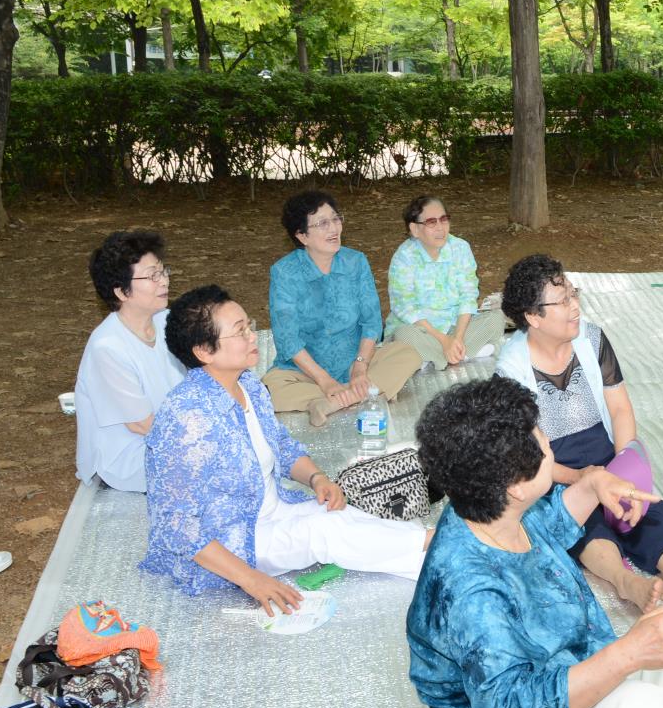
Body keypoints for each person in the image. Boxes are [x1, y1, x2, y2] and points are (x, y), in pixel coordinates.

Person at [407, 376, 663, 708]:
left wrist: (592, 485)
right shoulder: (467, 592)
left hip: (572, 686)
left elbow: (550, 524)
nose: (549, 443)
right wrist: (627, 654)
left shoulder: (485, 508)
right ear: (515, 487)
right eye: (541, 438)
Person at [142, 285, 427, 613]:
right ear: (204, 351)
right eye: (240, 332)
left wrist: (317, 479)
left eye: (248, 326)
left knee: (344, 516)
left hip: (273, 509)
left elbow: (281, 444)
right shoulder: (186, 416)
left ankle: (435, 558)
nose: (252, 337)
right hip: (233, 542)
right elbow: (175, 524)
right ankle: (439, 547)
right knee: (326, 532)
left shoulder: (247, 384)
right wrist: (251, 579)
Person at [493, 254, 663, 612]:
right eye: (563, 300)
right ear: (533, 317)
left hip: (605, 451)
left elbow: (619, 409)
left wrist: (624, 467)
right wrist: (583, 480)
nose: (574, 306)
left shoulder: (592, 339)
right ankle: (628, 583)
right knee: (586, 525)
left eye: (573, 293)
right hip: (554, 468)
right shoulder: (511, 371)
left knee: (646, 509)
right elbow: (529, 458)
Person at [262, 190, 421, 426]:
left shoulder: (355, 261)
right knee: (267, 390)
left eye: (336, 219)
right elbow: (288, 340)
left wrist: (359, 366)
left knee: (408, 354)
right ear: (302, 235)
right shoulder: (284, 272)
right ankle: (369, 394)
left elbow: (371, 323)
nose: (334, 228)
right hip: (305, 372)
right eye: (323, 223)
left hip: (354, 363)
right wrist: (324, 380)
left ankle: (331, 401)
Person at [73, 230, 186, 492]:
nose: (164, 281)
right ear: (122, 292)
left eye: (163, 271)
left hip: (174, 436)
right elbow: (141, 424)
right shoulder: (108, 347)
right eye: (152, 276)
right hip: (131, 455)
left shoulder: (165, 320)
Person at [385, 195, 507, 371]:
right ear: (415, 229)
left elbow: (468, 295)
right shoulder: (404, 257)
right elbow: (405, 307)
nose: (441, 228)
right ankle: (461, 353)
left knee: (496, 319)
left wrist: (456, 337)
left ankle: (435, 357)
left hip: (455, 329)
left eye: (444, 220)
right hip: (422, 332)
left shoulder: (460, 248)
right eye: (431, 222)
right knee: (403, 335)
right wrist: (444, 341)